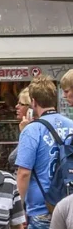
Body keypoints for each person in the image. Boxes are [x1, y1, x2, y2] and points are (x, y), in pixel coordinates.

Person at [17, 75, 73, 229]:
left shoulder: (32, 130)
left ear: (33, 102)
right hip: (70, 206)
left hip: (42, 208)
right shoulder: (72, 125)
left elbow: (23, 173)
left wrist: (17, 210)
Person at [7, 88, 32, 171]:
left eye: (21, 104)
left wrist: (25, 133)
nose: (16, 106)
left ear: (30, 109)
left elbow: (13, 159)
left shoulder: (31, 130)